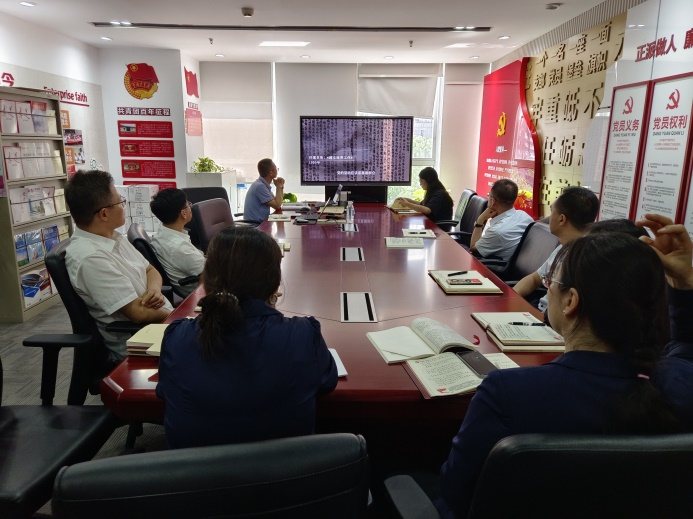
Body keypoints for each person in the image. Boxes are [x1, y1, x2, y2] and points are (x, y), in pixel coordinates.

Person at [437, 228, 693, 518]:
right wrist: (684, 283)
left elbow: (455, 492)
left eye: (551, 281)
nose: (547, 288)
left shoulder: (507, 393)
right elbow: (685, 349)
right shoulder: (682, 385)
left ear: (571, 301)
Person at [156, 226, 338, 449]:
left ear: (207, 279)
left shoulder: (177, 337)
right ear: (275, 282)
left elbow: (165, 391)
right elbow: (327, 383)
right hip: (288, 469)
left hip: (196, 471)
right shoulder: (303, 335)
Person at [65, 170, 173, 363]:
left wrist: (154, 290)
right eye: (120, 202)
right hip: (140, 342)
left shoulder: (112, 237)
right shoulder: (91, 258)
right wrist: (177, 317)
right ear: (104, 214)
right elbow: (138, 313)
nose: (124, 206)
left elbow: (150, 270)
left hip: (160, 325)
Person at [513, 186, 599, 311]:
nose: (549, 217)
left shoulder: (583, 260)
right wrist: (510, 298)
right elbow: (534, 279)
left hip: (550, 318)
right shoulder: (563, 247)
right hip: (540, 309)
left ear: (561, 219)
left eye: (552, 211)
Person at [149, 188, 204, 297]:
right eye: (188, 204)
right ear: (183, 213)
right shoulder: (180, 247)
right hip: (200, 293)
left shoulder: (163, 232)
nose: (190, 207)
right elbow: (209, 272)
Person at [470, 179, 533, 262]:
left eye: (489, 195)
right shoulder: (525, 216)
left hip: (492, 267)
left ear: (492, 201)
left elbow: (473, 248)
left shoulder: (497, 232)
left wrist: (480, 221)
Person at [243, 158, 285, 224]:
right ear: (271, 173)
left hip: (260, 223)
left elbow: (277, 202)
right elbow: (277, 205)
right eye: (276, 169)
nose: (277, 171)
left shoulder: (263, 185)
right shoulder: (260, 187)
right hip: (255, 225)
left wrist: (280, 186)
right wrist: (279, 186)